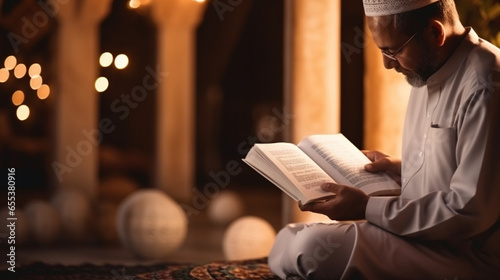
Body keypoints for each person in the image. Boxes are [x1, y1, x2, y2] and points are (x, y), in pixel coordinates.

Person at [268, 0, 500, 279]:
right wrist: (400, 170)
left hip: (467, 253)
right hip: (423, 237)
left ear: (434, 33)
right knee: (289, 239)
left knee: (311, 248)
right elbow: (451, 172)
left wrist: (366, 207)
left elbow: (468, 211)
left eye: (392, 51)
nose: (387, 64)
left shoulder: (486, 82)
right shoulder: (428, 68)